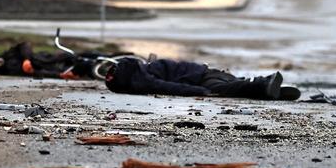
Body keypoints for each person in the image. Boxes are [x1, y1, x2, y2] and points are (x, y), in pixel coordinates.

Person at [100, 57, 301, 101]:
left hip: (203, 77)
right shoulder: (144, 70)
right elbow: (167, 84)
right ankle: (269, 91)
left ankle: (262, 83)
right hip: (210, 72)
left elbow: (169, 87)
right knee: (229, 85)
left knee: (224, 90)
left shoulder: (140, 80)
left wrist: (199, 92)